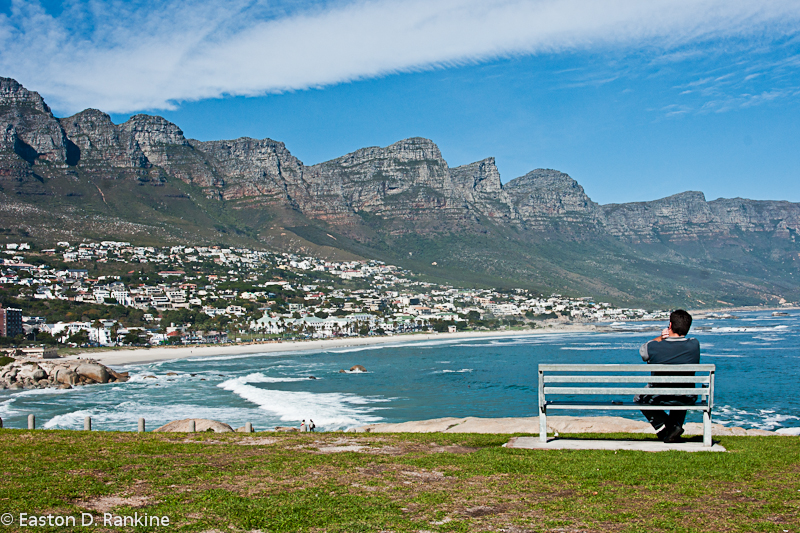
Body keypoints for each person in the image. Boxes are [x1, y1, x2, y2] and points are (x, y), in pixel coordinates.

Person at [635, 309, 700, 443]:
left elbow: (643, 352)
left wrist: (660, 338)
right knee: (680, 392)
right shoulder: (694, 345)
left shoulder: (654, 346)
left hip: (660, 396)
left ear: (670, 326)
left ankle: (670, 427)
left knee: (639, 398)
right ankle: (672, 432)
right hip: (686, 396)